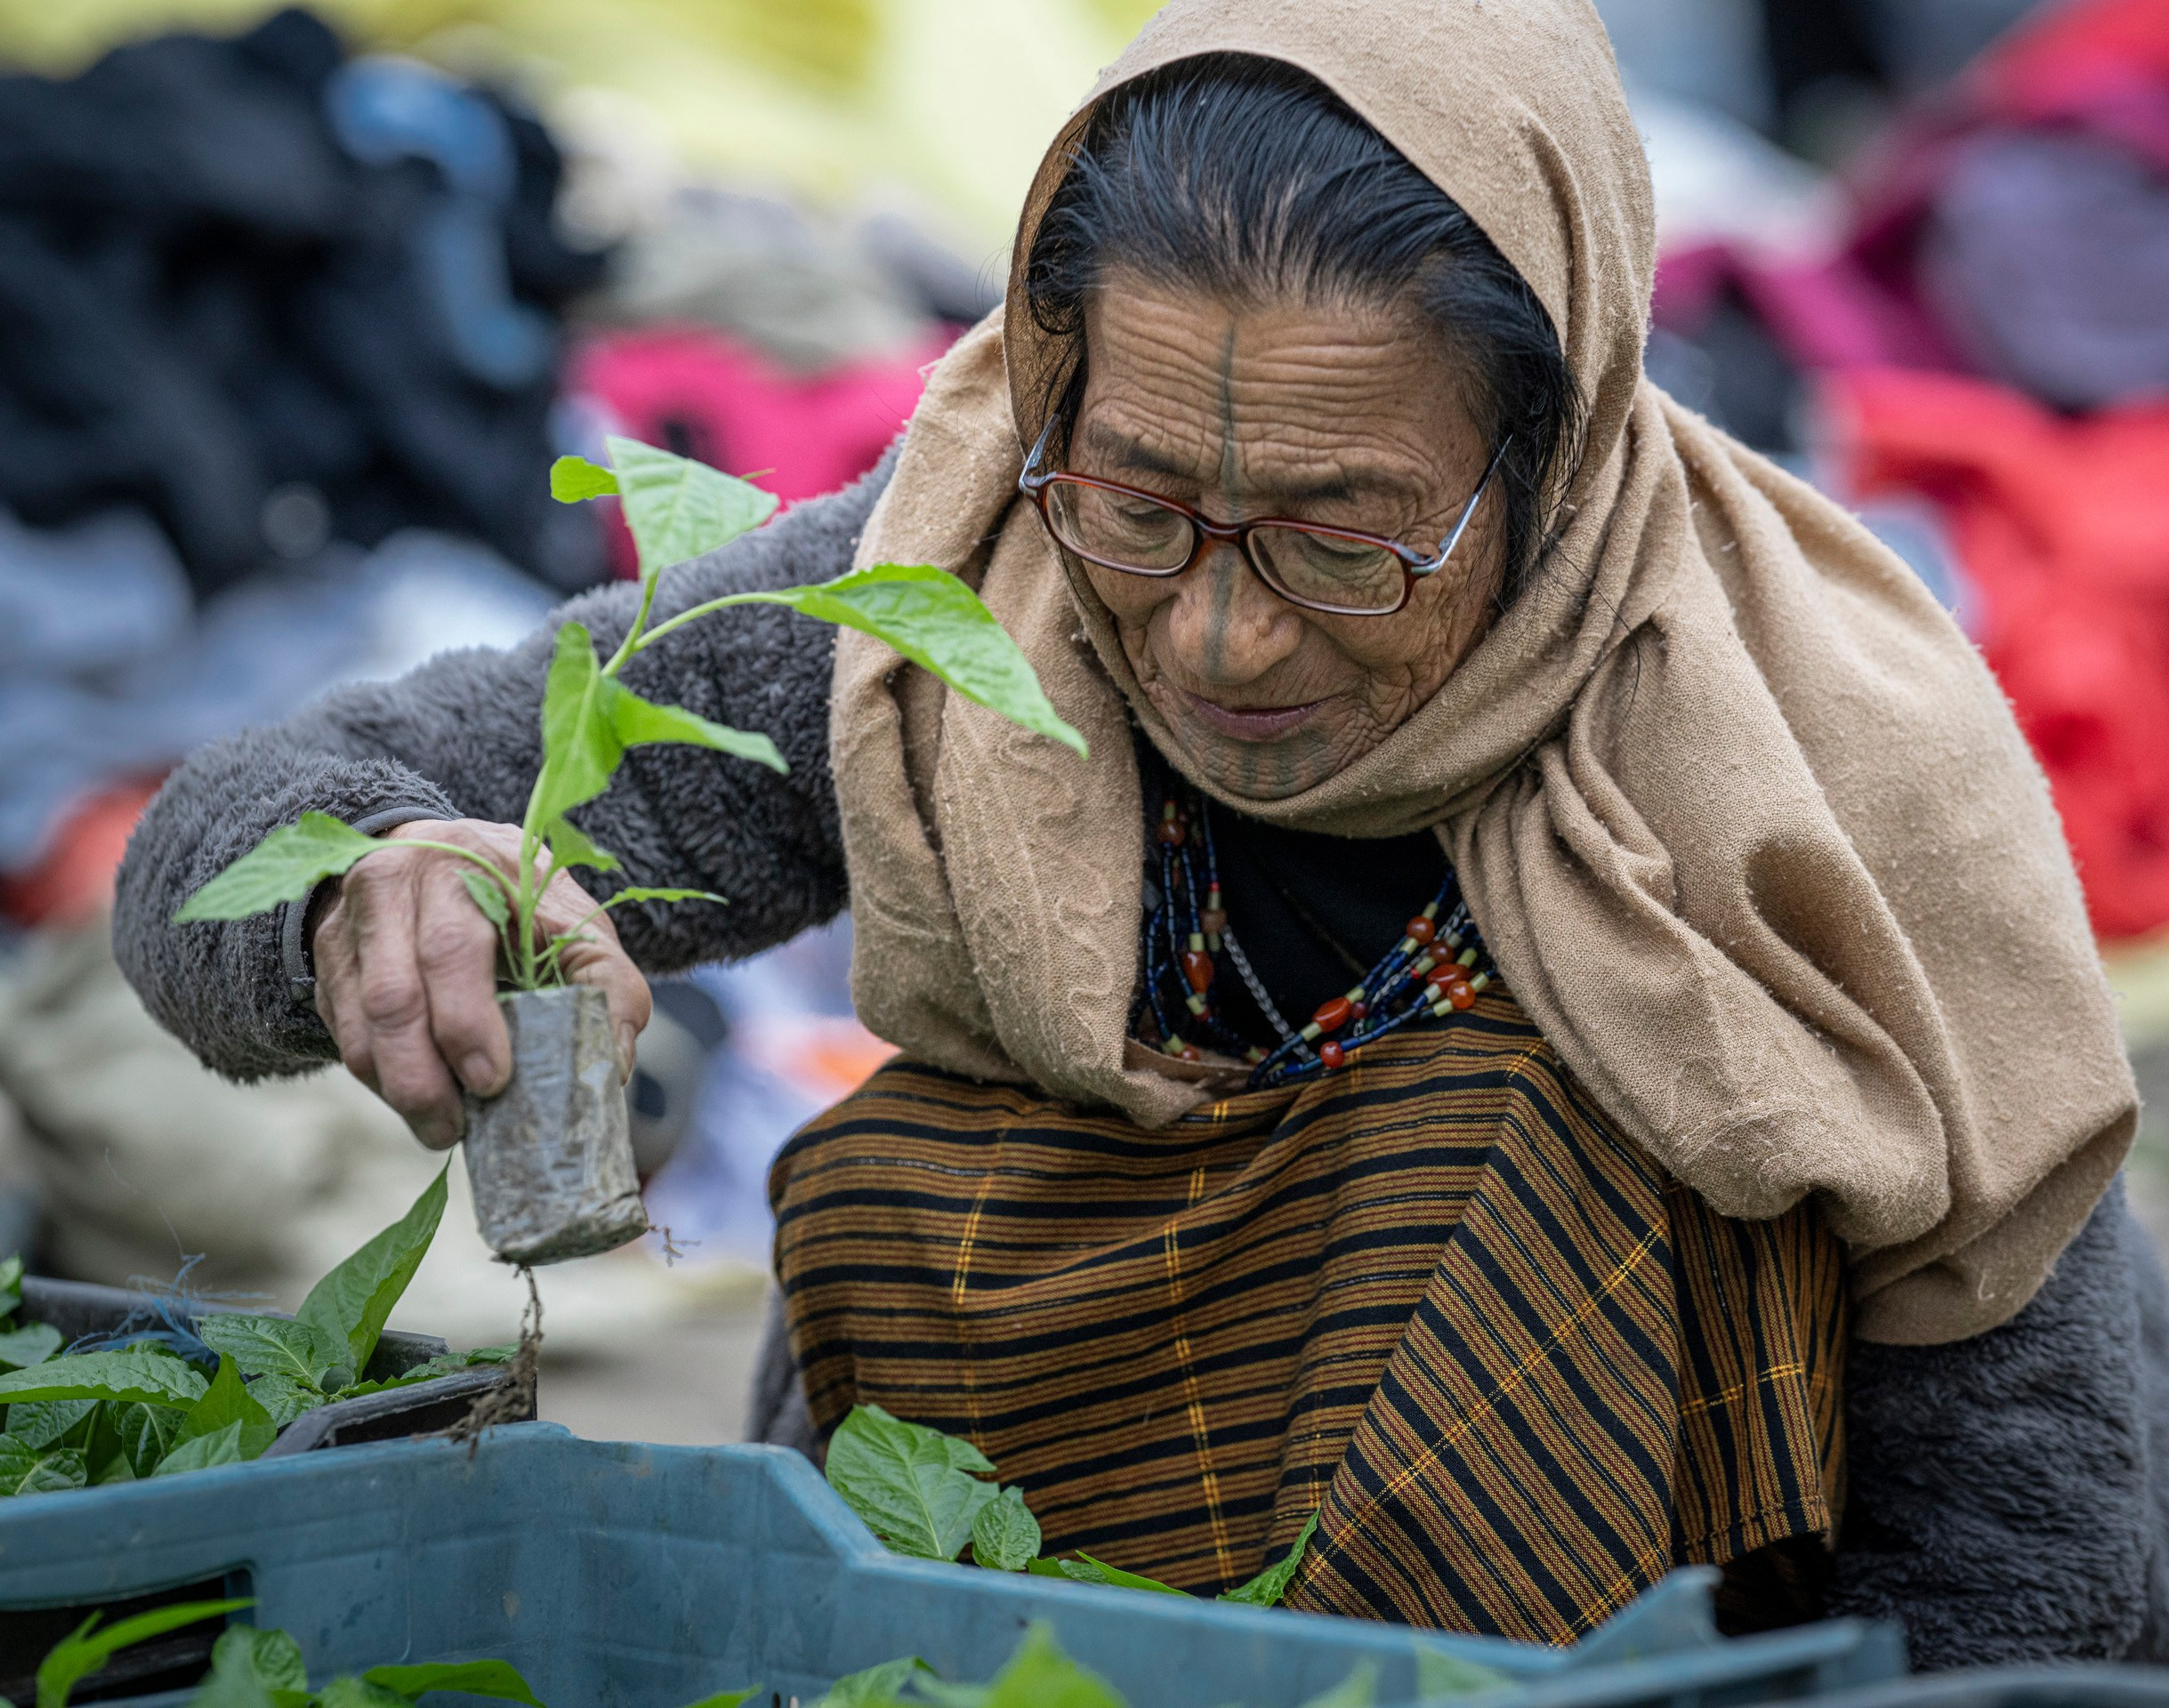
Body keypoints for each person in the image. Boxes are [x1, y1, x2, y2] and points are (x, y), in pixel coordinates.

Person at [116, 0, 2165, 1664]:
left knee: (1537, 1138)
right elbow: (209, 848)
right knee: (913, 1154)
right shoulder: (942, 584)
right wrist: (373, 890)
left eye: (1346, 539)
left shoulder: (1807, 749)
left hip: (1621, 1647)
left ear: (1558, 452)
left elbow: (2037, 1496)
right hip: (986, 1629)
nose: (1216, 629)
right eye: (1143, 503)